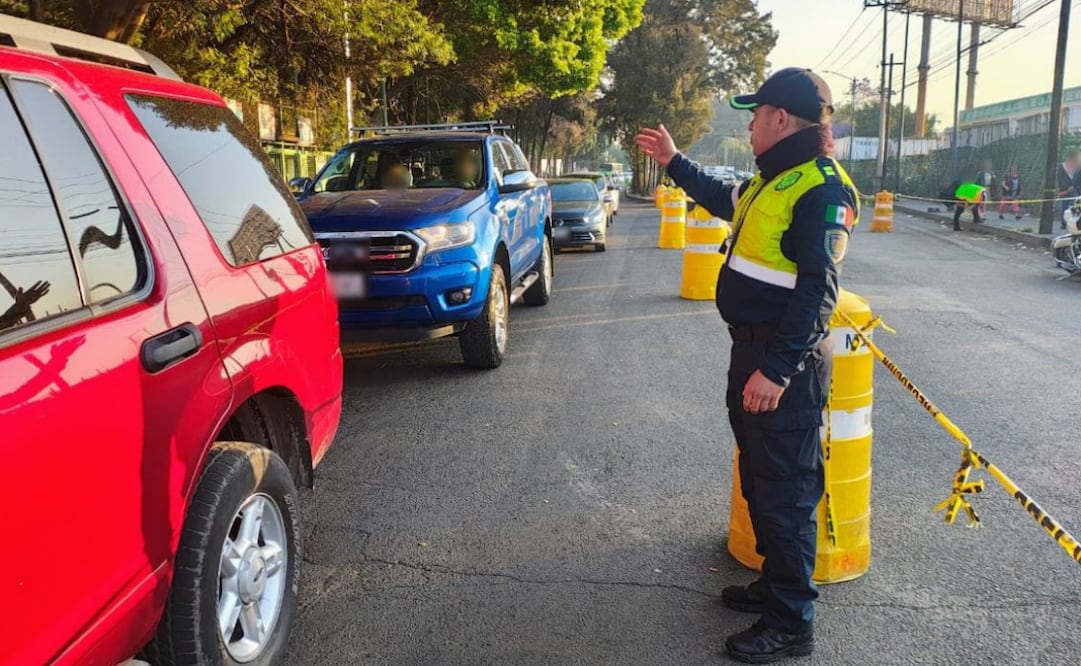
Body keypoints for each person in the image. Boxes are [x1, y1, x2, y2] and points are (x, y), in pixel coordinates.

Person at [636, 67, 858, 664]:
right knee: (760, 477)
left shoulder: (820, 188)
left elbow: (819, 291)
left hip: (783, 366)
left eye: (755, 115)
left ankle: (791, 622)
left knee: (786, 492)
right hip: (753, 352)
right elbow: (718, 196)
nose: (751, 125)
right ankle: (773, 584)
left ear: (780, 119)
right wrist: (675, 161)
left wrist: (778, 371)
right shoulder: (773, 181)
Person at [1056, 149, 1079, 229]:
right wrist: (1067, 188)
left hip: (1076, 190)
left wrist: (1074, 186)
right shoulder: (1062, 167)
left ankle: (1074, 223)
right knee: (1064, 206)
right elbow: (1060, 179)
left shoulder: (1078, 167)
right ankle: (1063, 223)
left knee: (1075, 206)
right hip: (1065, 190)